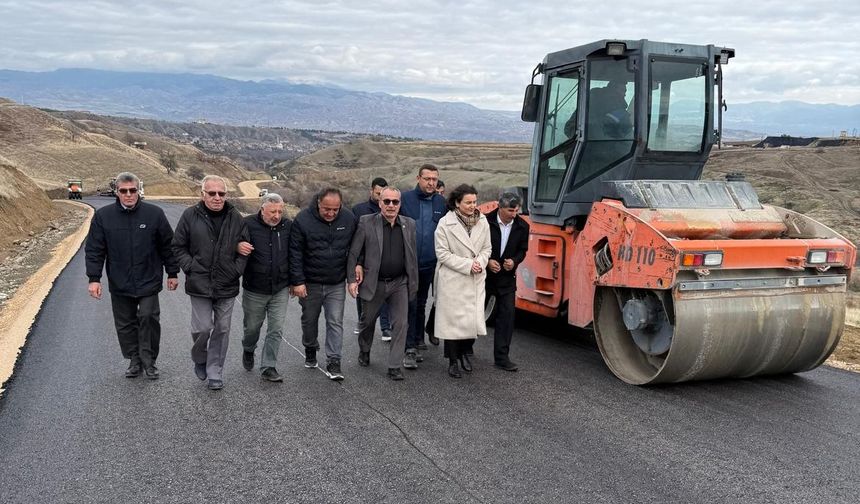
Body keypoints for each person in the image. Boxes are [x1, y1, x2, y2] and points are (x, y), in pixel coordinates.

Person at [85, 171, 179, 379]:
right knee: (125, 323)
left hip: (149, 278)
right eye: (124, 191)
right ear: (116, 192)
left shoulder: (154, 214)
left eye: (133, 190)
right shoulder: (103, 217)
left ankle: (150, 360)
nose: (128, 194)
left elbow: (167, 246)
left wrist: (172, 272)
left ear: (139, 190)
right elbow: (95, 249)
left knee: (148, 317)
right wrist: (94, 278)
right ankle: (134, 360)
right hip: (119, 280)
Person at [172, 175, 247, 391]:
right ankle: (200, 358)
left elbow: (245, 247)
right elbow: (178, 246)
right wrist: (190, 267)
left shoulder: (236, 218)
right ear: (202, 193)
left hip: (227, 283)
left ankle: (215, 371)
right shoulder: (189, 216)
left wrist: (236, 270)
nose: (217, 197)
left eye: (221, 193)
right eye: (212, 193)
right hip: (199, 283)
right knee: (203, 328)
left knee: (222, 328)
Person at [347, 187, 418, 381]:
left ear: (400, 204)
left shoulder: (409, 224)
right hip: (374, 282)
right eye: (387, 201)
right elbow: (354, 252)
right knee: (367, 322)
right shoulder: (366, 222)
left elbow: (412, 256)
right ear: (380, 203)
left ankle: (394, 366)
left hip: (399, 283)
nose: (391, 205)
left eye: (395, 202)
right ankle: (364, 349)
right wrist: (352, 278)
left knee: (401, 324)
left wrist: (413, 282)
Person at [289, 188, 357, 381]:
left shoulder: (348, 218)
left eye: (335, 209)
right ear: (318, 203)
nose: (331, 213)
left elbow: (355, 248)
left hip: (336, 281)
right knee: (309, 320)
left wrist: (355, 268)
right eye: (327, 209)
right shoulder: (303, 219)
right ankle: (310, 347)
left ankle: (334, 360)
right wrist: (298, 281)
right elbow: (295, 253)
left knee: (335, 321)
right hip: (310, 283)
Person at [433, 184, 491, 378]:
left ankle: (465, 352)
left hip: (475, 278)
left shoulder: (482, 221)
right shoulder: (445, 223)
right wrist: (467, 265)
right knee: (452, 324)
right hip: (453, 279)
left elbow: (487, 248)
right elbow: (442, 253)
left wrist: (480, 263)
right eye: (468, 202)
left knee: (472, 321)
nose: (472, 205)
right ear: (457, 203)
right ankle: (452, 360)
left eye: (474, 201)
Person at [236, 193, 292, 382]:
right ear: (262, 209)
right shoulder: (247, 224)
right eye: (272, 212)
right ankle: (248, 348)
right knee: (252, 328)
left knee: (275, 329)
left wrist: (296, 280)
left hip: (280, 287)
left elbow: (296, 252)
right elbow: (230, 244)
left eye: (280, 211)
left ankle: (269, 366)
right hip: (255, 288)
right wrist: (237, 246)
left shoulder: (287, 226)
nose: (276, 216)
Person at [399, 164, 446, 369]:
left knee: (421, 303)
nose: (431, 183)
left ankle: (418, 339)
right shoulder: (405, 199)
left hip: (430, 264)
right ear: (418, 178)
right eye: (427, 179)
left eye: (434, 179)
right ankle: (408, 348)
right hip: (407, 264)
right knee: (409, 303)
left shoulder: (441, 202)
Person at [485, 192, 530, 372]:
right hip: (484, 276)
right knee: (475, 312)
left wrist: (515, 261)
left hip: (507, 279)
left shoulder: (522, 226)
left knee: (507, 317)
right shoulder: (485, 221)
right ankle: (465, 348)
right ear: (500, 207)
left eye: (516, 210)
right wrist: (487, 261)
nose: (514, 214)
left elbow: (523, 250)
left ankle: (502, 358)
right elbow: (475, 245)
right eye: (510, 210)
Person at [351, 177, 392, 342]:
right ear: (371, 191)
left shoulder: (392, 208)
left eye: (384, 192)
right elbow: (355, 239)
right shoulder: (359, 210)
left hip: (385, 259)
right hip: (364, 260)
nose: (381, 196)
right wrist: (357, 262)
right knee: (364, 295)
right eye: (378, 193)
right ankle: (363, 321)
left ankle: (385, 327)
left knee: (385, 294)